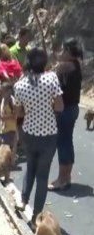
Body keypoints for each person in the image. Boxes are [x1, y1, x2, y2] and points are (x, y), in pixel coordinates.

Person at [13, 48, 64, 227]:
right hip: (48, 135)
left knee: (30, 166)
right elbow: (59, 106)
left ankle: (23, 200)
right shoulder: (51, 79)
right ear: (44, 62)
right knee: (43, 177)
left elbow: (18, 112)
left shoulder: (19, 85)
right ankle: (36, 217)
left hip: (29, 133)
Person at [48, 38, 83, 191]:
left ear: (69, 51)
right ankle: (66, 177)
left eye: (63, 50)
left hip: (66, 109)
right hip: (72, 108)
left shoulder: (68, 66)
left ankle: (62, 179)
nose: (61, 53)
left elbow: (54, 69)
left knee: (62, 143)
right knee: (67, 142)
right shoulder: (75, 65)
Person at [0, 82, 18, 156]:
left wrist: (5, 118)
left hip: (10, 128)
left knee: (7, 147)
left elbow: (15, 115)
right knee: (5, 146)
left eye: (3, 91)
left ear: (8, 91)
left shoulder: (11, 101)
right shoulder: (3, 100)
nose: (1, 93)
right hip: (4, 128)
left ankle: (10, 160)